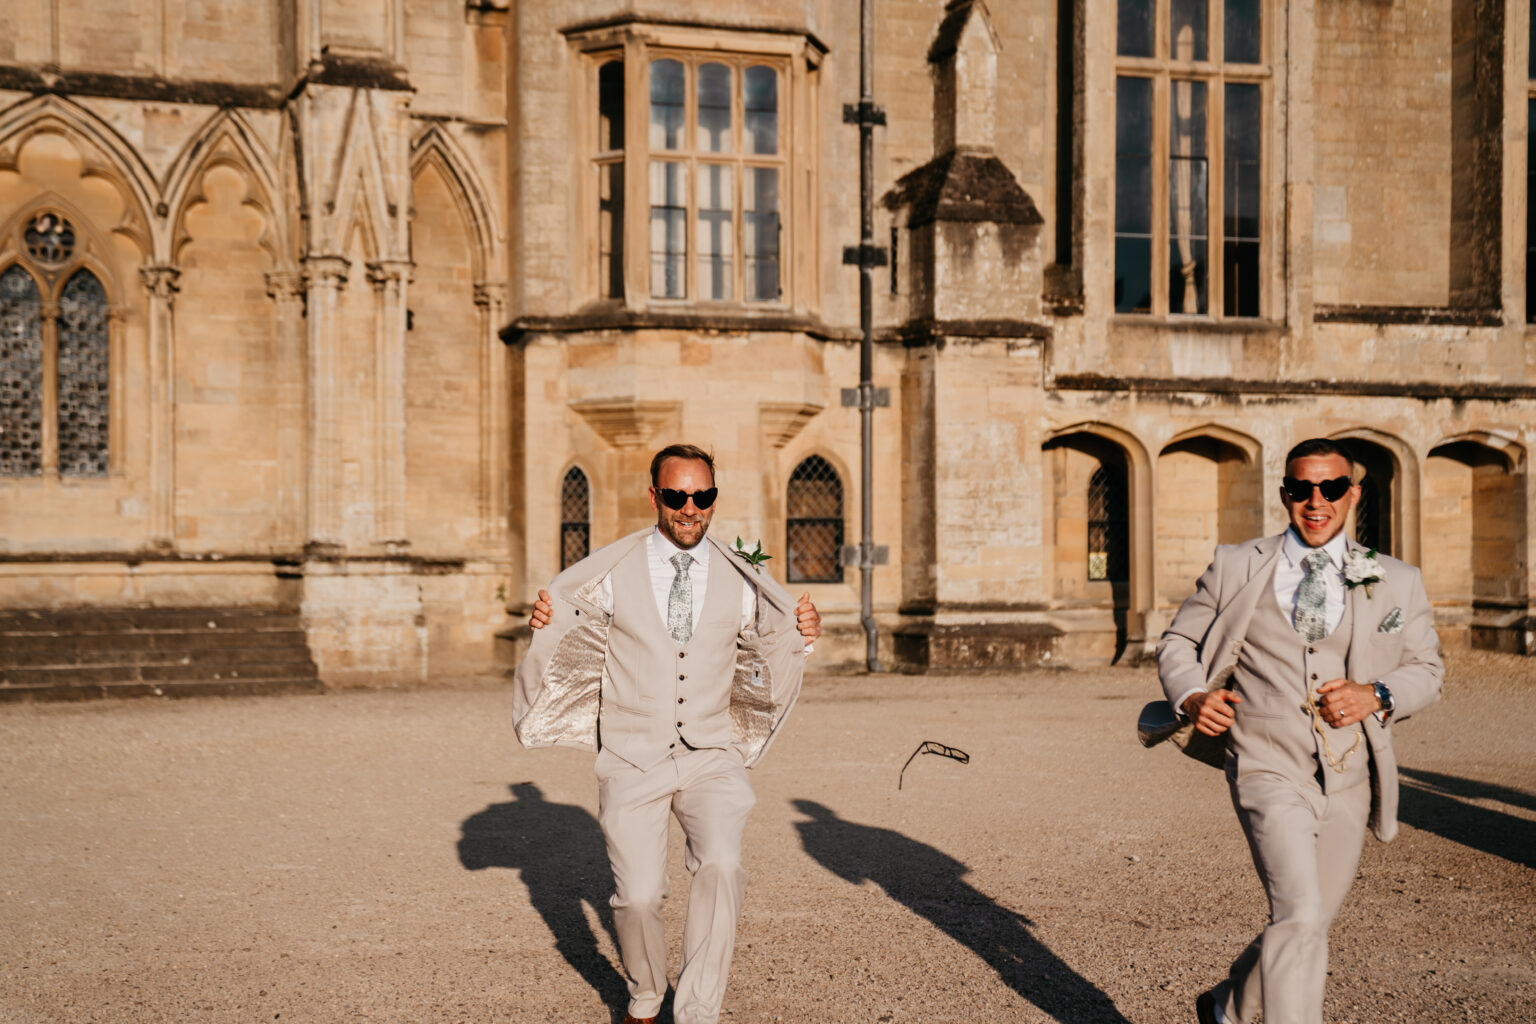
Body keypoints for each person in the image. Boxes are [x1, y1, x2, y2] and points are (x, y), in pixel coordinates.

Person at [513, 443, 821, 1024]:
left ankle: (698, 1011)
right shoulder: (612, 572)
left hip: (711, 755)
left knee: (723, 865)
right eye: (677, 496)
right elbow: (570, 623)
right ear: (654, 496)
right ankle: (647, 993)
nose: (690, 508)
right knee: (636, 899)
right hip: (632, 758)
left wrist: (804, 631)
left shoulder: (741, 574)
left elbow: (772, 637)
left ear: (713, 499)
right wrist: (546, 624)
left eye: (702, 496)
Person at [1157, 437, 1444, 1024]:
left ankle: (1227, 1006)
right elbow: (1179, 641)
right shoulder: (1237, 564)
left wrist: (1377, 694)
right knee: (1300, 916)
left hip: (1349, 777)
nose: (1317, 501)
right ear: (1285, 493)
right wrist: (1191, 694)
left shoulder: (1395, 579)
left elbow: (1428, 670)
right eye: (1301, 488)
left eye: (1331, 487)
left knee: (1305, 921)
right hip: (1265, 765)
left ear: (1353, 493)